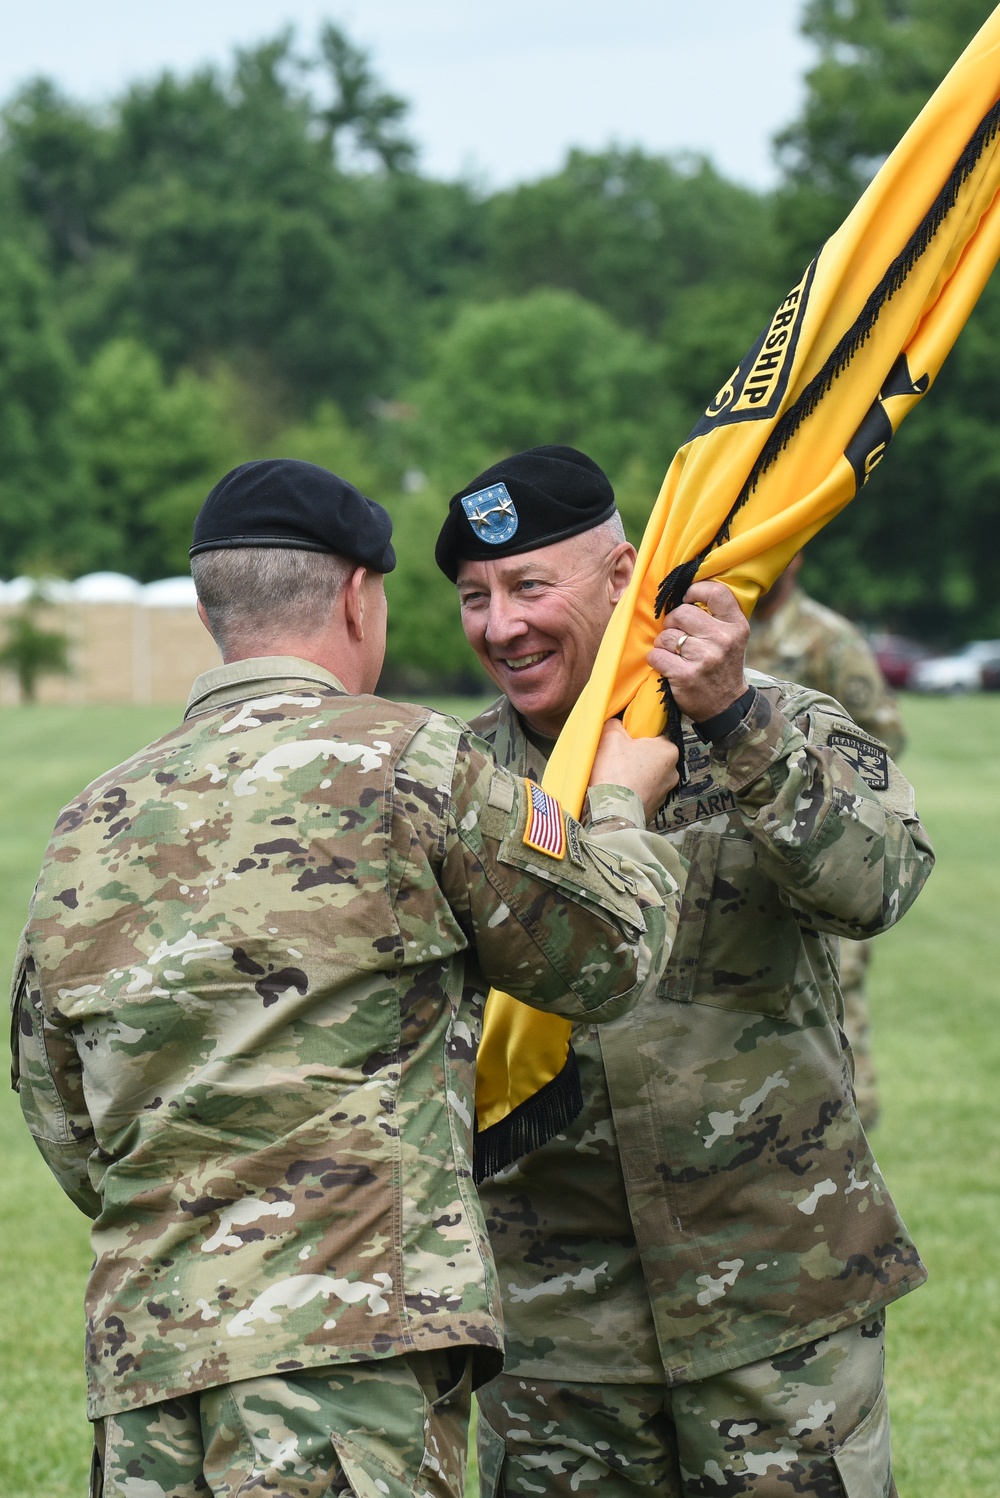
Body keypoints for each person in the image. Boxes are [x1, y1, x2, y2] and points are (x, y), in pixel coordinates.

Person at [11, 459, 685, 1498]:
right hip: (345, 1361)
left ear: (208, 609)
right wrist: (618, 807)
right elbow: (609, 956)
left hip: (149, 1365)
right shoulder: (411, 759)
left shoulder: (90, 820)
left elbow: (59, 1108)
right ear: (359, 597)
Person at [434, 445, 935, 1498]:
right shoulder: (453, 785)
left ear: (622, 581)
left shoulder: (768, 722)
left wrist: (735, 725)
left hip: (777, 1299)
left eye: (529, 585)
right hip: (558, 1334)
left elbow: (876, 883)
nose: (500, 625)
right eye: (475, 597)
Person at [747, 552, 908, 1129]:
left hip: (820, 856)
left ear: (797, 558)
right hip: (740, 865)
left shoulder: (828, 641)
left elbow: (881, 740)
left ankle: (853, 1142)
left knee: (839, 1006)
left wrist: (816, 794)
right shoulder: (716, 628)